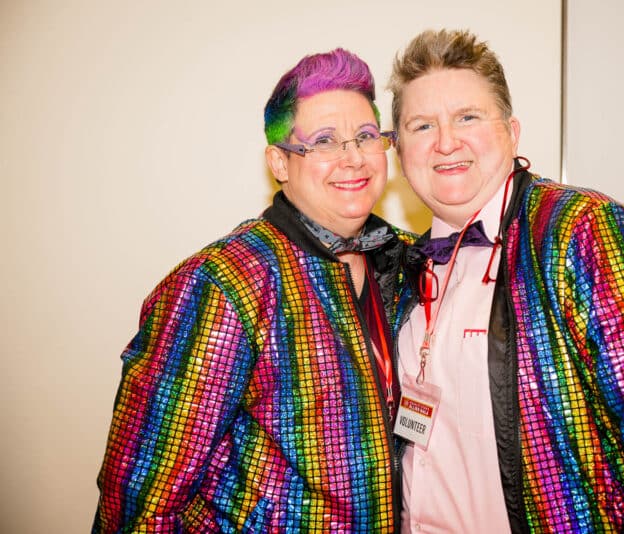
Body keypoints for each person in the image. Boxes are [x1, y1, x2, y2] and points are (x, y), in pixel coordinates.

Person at [388, 29, 624, 533]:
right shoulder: (404, 267)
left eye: (468, 116)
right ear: (399, 151)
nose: (446, 141)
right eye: (422, 125)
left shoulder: (585, 234)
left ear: (511, 131)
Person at [93, 48, 413, 532]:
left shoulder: (405, 261)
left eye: (366, 136)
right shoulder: (222, 284)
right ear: (279, 163)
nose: (352, 158)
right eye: (323, 141)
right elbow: (140, 501)